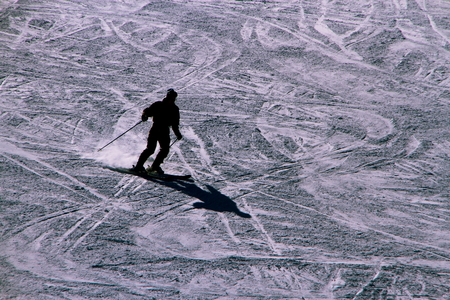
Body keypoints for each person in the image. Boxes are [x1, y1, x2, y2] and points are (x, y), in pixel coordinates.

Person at [132, 89, 182, 174]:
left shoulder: (175, 109)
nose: (172, 100)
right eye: (170, 97)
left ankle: (155, 166)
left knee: (165, 150)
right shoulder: (158, 105)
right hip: (155, 129)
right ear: (167, 96)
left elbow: (175, 124)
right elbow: (147, 111)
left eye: (173, 98)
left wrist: (177, 134)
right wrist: (144, 115)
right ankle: (138, 166)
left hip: (165, 131)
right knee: (150, 149)